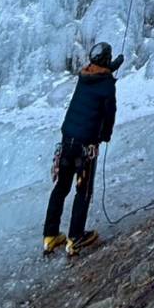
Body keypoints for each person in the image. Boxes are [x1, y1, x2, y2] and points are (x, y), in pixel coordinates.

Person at [43, 41, 122, 256]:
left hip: (67, 140)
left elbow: (101, 74)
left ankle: (50, 236)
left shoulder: (85, 76)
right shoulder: (107, 86)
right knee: (83, 191)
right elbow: (109, 115)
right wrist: (105, 136)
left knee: (61, 188)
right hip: (85, 146)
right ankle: (75, 237)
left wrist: (115, 65)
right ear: (105, 60)